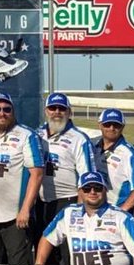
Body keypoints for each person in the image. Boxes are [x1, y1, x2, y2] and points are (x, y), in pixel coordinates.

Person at [0, 92, 43, 265]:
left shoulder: (27, 135)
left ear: (13, 111)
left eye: (6, 109)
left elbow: (37, 174)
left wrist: (26, 209)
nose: (1, 113)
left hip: (16, 217)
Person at [36, 92, 96, 231]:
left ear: (69, 112)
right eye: (53, 108)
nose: (57, 112)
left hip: (67, 201)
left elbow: (87, 177)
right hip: (40, 202)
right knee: (42, 247)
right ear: (46, 111)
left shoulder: (79, 139)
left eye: (62, 108)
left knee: (64, 250)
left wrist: (80, 209)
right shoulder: (36, 135)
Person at [95, 108, 134, 215]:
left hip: (115, 214)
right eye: (107, 124)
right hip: (94, 210)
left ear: (122, 127)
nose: (111, 128)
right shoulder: (93, 148)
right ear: (100, 125)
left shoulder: (130, 154)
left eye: (116, 125)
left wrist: (122, 210)